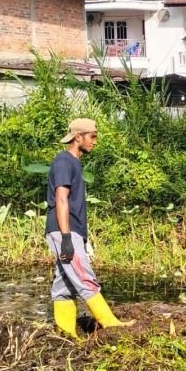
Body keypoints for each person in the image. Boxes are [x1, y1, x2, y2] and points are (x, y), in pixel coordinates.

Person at [46, 118, 133, 339]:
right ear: (78, 137)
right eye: (92, 136)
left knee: (64, 283)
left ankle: (65, 332)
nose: (95, 141)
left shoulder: (73, 162)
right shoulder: (64, 162)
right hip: (64, 230)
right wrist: (67, 237)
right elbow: (62, 199)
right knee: (84, 276)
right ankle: (110, 324)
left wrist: (81, 236)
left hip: (70, 230)